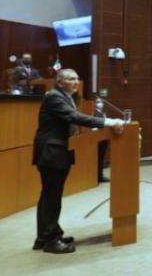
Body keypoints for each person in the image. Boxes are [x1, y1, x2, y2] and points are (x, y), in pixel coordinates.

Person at [32, 68, 126, 254]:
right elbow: (73, 117)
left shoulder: (66, 97)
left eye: (77, 78)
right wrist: (107, 123)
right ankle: (51, 240)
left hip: (57, 151)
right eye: (70, 79)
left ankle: (45, 236)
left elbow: (70, 121)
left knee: (50, 195)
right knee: (51, 196)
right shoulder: (54, 97)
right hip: (52, 152)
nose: (76, 82)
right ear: (59, 82)